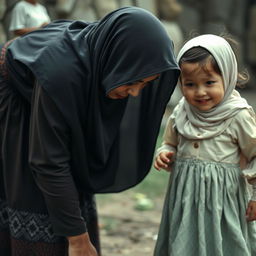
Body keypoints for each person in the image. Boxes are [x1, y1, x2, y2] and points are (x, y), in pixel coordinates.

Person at [0, 6, 180, 256]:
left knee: (68, 179)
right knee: (32, 193)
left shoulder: (100, 54)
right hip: (13, 93)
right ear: (116, 60)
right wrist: (77, 240)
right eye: (132, 81)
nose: (135, 93)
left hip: (44, 82)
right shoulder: (62, 74)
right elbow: (48, 162)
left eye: (144, 84)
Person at [153, 34, 256, 255]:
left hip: (223, 201)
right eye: (190, 84)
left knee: (224, 243)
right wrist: (166, 151)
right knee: (183, 242)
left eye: (209, 82)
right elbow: (170, 141)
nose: (200, 92)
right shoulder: (182, 110)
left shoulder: (238, 115)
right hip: (186, 198)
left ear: (228, 77)